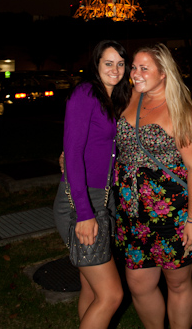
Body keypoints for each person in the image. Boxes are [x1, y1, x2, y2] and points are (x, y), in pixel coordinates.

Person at [115, 43, 192, 329]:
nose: (135, 73)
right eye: (134, 66)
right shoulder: (130, 97)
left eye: (145, 68)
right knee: (138, 284)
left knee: (178, 283)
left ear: (164, 74)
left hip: (174, 215)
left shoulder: (181, 112)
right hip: (132, 215)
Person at [53, 39, 131, 329]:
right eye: (108, 63)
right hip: (80, 203)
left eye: (121, 63)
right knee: (112, 295)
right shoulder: (85, 93)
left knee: (92, 288)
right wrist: (85, 214)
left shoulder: (115, 98)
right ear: (96, 65)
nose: (115, 69)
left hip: (102, 199)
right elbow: (72, 155)